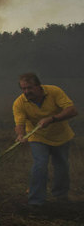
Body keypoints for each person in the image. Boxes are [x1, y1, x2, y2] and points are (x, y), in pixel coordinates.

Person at [13, 73, 78, 206]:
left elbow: (72, 110)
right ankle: (36, 201)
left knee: (62, 166)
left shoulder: (54, 91)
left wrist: (52, 119)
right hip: (38, 137)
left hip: (61, 136)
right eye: (23, 89)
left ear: (38, 86)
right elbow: (19, 123)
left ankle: (60, 196)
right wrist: (20, 135)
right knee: (40, 165)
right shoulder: (19, 102)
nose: (26, 92)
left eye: (29, 88)